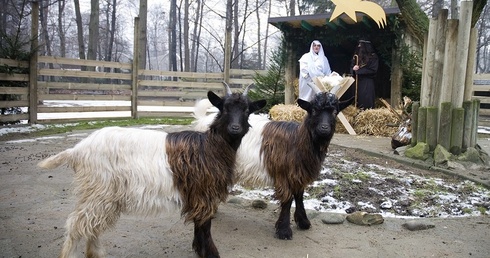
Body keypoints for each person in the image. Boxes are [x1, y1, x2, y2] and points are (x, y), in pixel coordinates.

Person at [350, 39, 379, 109]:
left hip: (367, 82)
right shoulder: (356, 57)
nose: (359, 47)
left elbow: (373, 70)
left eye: (361, 45)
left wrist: (359, 71)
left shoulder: (373, 57)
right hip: (357, 81)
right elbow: (352, 67)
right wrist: (353, 69)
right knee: (357, 99)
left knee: (366, 101)